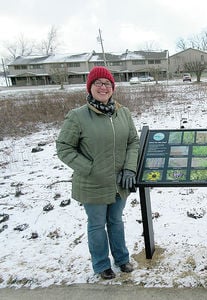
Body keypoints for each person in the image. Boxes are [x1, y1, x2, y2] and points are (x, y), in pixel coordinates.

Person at [56, 66, 140, 280]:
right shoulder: (78, 116)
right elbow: (64, 147)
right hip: (92, 183)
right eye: (98, 83)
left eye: (107, 84)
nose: (103, 87)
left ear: (112, 88)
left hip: (119, 182)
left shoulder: (123, 113)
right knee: (96, 225)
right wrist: (89, 168)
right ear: (90, 87)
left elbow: (133, 142)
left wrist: (130, 168)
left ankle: (122, 259)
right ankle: (102, 264)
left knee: (116, 221)